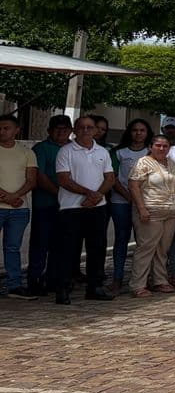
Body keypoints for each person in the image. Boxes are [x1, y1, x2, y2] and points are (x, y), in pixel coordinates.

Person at [50, 115, 116, 304]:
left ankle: (95, 286)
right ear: (75, 130)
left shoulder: (102, 152)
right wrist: (89, 194)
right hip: (71, 207)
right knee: (68, 249)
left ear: (96, 130)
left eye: (90, 127)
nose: (86, 131)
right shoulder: (66, 151)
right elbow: (63, 179)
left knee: (97, 248)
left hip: (97, 207)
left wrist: (96, 197)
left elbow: (110, 177)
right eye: (81, 127)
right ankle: (63, 287)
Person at [127, 134, 175, 296]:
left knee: (162, 249)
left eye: (165, 146)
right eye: (158, 145)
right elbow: (133, 185)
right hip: (151, 211)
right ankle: (138, 285)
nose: (161, 149)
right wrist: (141, 208)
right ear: (151, 146)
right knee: (146, 248)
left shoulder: (171, 163)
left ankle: (159, 280)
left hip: (171, 212)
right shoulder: (143, 162)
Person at [22, 114, 71, 296]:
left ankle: (54, 279)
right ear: (49, 130)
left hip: (68, 206)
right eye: (57, 129)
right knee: (40, 242)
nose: (61, 132)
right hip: (45, 202)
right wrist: (59, 193)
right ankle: (35, 279)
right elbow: (39, 176)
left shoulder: (73, 149)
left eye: (65, 129)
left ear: (70, 131)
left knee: (61, 244)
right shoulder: (41, 148)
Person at [106, 118, 152, 293]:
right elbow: (113, 177)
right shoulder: (119, 152)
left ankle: (142, 278)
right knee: (121, 239)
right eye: (135, 130)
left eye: (142, 130)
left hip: (145, 203)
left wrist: (140, 200)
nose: (138, 133)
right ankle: (117, 277)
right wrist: (130, 196)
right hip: (121, 202)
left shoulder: (151, 152)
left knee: (144, 242)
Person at [0, 113, 37, 296]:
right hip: (4, 205)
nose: (2, 132)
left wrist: (15, 196)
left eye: (6, 128)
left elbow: (31, 180)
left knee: (13, 247)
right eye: (0, 128)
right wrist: (7, 197)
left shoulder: (26, 152)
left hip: (19, 208)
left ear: (16, 130)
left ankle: (14, 284)